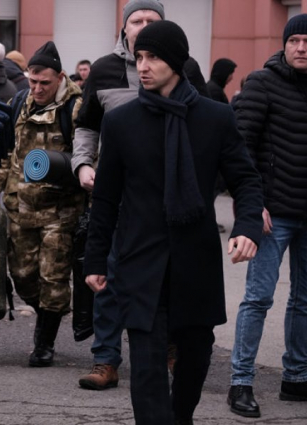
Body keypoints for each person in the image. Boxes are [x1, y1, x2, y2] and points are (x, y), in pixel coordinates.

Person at [84, 20, 264, 424]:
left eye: (154, 57)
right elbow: (106, 199)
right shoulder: (122, 122)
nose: (143, 66)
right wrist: (95, 260)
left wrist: (247, 227)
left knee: (196, 355)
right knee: (146, 363)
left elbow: (246, 182)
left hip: (194, 260)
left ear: (177, 62)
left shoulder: (215, 118)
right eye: (139, 57)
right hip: (140, 260)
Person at [72, 0, 210, 391]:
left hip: (168, 198)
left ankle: (167, 347)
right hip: (116, 194)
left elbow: (205, 123)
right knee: (107, 273)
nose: (144, 25)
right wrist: (82, 165)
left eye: (152, 21)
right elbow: (86, 126)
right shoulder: (103, 69)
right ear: (124, 28)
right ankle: (106, 358)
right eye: (137, 20)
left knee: (167, 274)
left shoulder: (188, 70)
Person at [228, 13, 307, 418]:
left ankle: (297, 377)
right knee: (258, 298)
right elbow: (239, 149)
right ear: (284, 45)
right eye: (294, 40)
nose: (301, 48)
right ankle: (240, 382)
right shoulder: (261, 83)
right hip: (274, 215)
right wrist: (253, 207)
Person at [0, 41, 84, 367]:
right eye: (32, 81)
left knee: (52, 277)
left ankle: (44, 343)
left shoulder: (76, 108)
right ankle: (46, 315)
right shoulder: (19, 102)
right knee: (23, 274)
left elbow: (88, 155)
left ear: (60, 77)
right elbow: (5, 149)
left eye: (44, 83)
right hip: (19, 206)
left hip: (60, 210)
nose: (36, 88)